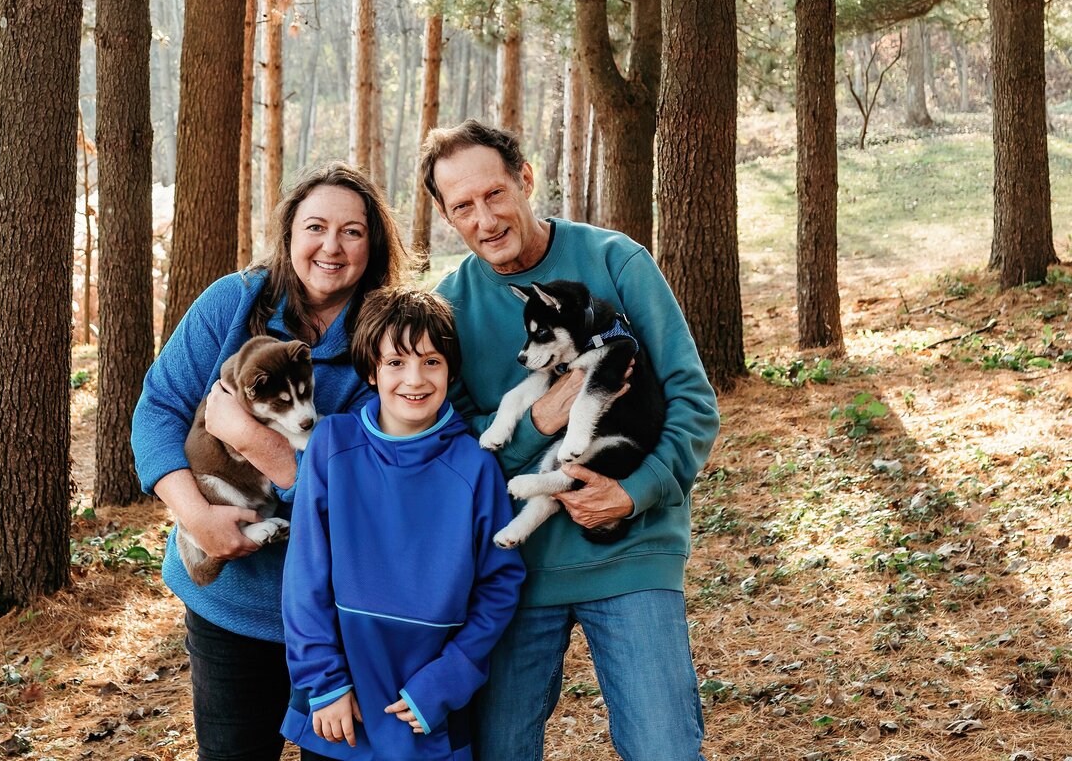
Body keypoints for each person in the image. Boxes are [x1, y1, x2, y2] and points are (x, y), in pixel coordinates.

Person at [422, 120, 721, 761]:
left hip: (630, 552)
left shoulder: (616, 262)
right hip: (512, 573)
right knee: (497, 752)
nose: (485, 218)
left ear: (526, 179)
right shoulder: (446, 308)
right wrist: (539, 422)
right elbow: (454, 450)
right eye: (463, 206)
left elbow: (694, 404)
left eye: (495, 193)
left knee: (664, 748)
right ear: (447, 217)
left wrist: (633, 492)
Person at [131, 162, 410, 761]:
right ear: (288, 236)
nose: (331, 247)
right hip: (231, 607)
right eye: (315, 227)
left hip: (344, 620)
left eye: (352, 232)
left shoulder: (392, 341)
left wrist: (257, 442)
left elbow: (371, 497)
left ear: (375, 243)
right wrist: (195, 516)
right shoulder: (232, 303)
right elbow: (157, 409)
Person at [280, 286, 526, 761]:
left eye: (431, 361)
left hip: (430, 702)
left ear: (451, 369)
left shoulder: (475, 465)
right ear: (371, 370)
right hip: (342, 702)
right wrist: (324, 682)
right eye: (396, 362)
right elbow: (304, 575)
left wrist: (449, 677)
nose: (414, 378)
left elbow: (500, 583)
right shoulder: (333, 444)